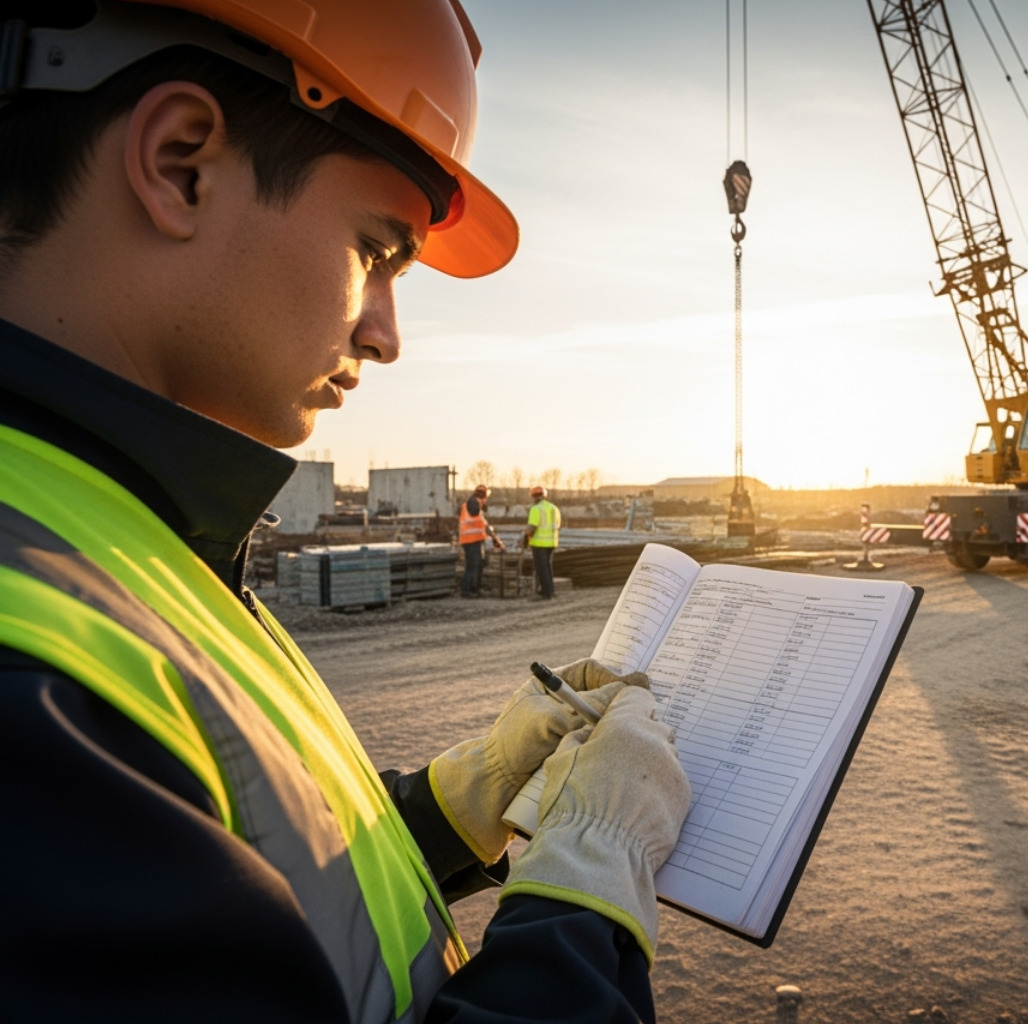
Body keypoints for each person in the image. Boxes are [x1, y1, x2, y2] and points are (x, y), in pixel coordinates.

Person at [0, 2, 690, 1021]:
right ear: (181, 163)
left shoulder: (123, 533)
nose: (386, 337)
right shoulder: (31, 687)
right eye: (377, 250)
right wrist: (586, 893)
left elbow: (265, 891)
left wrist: (458, 804)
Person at [459, 483, 505, 597]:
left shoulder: (470, 505)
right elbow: (484, 526)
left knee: (476, 565)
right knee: (473, 566)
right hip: (472, 540)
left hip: (473, 540)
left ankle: (473, 589)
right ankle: (469, 591)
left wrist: (495, 540)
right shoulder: (474, 505)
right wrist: (497, 542)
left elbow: (484, 526)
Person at [524, 484, 562, 600]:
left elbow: (532, 527)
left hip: (539, 543)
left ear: (533, 497)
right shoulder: (554, 508)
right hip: (552, 543)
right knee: (548, 567)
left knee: (541, 568)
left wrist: (525, 538)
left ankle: (545, 592)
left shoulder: (536, 509)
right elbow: (558, 525)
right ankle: (550, 590)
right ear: (544, 495)